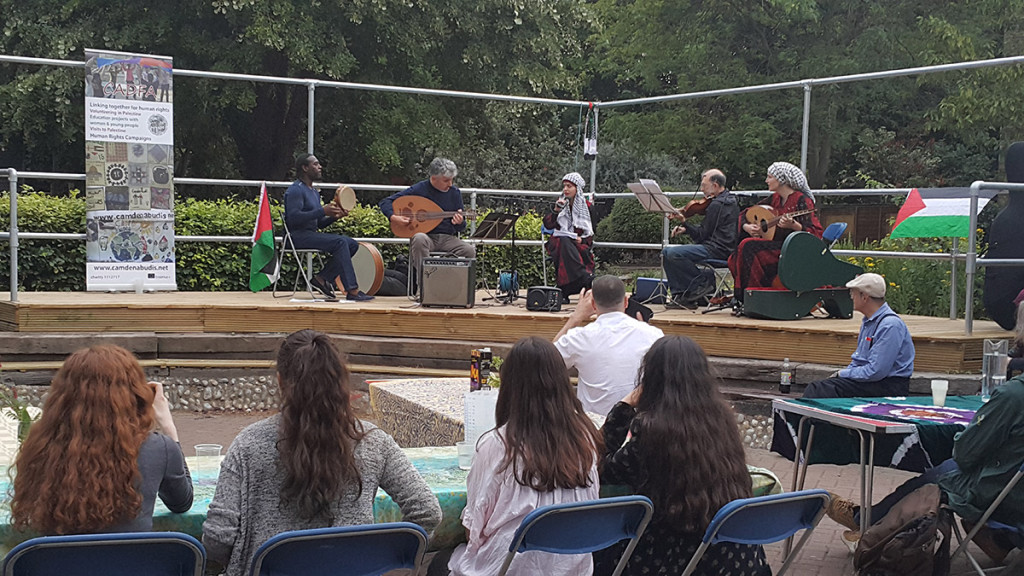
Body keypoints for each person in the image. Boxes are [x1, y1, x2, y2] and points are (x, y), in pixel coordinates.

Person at [203, 330, 441, 576]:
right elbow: (428, 510)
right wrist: (383, 559)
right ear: (341, 382)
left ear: (280, 381)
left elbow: (218, 537)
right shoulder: (374, 443)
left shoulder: (247, 445)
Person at [595, 336, 770, 576]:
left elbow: (608, 470)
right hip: (734, 556)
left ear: (651, 380)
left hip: (676, 558)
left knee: (600, 549)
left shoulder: (652, 429)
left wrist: (624, 406)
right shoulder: (722, 420)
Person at [825, 371, 1024, 563]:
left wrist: (962, 439)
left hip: (1007, 501)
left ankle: (866, 524)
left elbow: (965, 453)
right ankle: (1000, 540)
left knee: (945, 473)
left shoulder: (1014, 396)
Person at [448, 336, 602, 576]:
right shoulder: (586, 438)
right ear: (562, 382)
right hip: (573, 569)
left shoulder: (498, 445)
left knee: (441, 561)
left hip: (509, 569)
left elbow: (473, 531)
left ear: (510, 387)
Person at [10, 345, 192, 534]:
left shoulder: (42, 446)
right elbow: (181, 502)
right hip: (132, 562)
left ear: (62, 396)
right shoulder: (158, 448)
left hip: (62, 563)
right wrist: (169, 428)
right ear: (135, 394)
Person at [553, 275, 664, 416]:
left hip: (593, 429)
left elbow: (546, 361)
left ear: (593, 305)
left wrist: (575, 318)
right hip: (637, 426)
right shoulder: (653, 334)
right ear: (626, 302)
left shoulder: (578, 337)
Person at [802, 273, 915, 398]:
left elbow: (876, 371)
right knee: (821, 387)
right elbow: (859, 361)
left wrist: (842, 374)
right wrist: (843, 375)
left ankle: (797, 417)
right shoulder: (868, 322)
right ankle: (799, 417)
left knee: (821, 389)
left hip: (887, 385)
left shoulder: (890, 325)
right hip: (871, 382)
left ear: (864, 297)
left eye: (853, 293)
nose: (851, 297)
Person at [728, 161, 823, 308]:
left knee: (748, 246)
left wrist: (794, 226)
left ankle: (753, 296)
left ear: (781, 180)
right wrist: (747, 226)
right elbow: (745, 214)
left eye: (769, 177)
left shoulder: (802, 200)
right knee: (740, 250)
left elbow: (816, 235)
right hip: (776, 246)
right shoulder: (774, 199)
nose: (766, 180)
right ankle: (749, 296)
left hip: (793, 250)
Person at [284, 153, 373, 302]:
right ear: (305, 168)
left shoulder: (313, 192)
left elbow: (319, 224)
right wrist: (322, 211)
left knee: (351, 244)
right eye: (315, 164)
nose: (320, 167)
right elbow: (293, 218)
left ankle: (321, 279)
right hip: (296, 236)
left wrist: (334, 216)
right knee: (341, 242)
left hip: (309, 234)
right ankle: (352, 290)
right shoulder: (295, 190)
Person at [378, 157, 476, 289]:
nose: (450, 184)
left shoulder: (454, 193)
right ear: (434, 178)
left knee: (469, 250)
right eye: (446, 180)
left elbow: (461, 227)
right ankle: (424, 287)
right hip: (427, 237)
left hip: (447, 238)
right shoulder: (420, 189)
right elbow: (385, 202)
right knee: (418, 238)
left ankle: (458, 289)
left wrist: (459, 222)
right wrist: (393, 217)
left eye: (452, 180)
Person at [662, 169, 739, 309]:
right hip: (720, 246)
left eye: (704, 185)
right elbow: (711, 228)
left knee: (673, 253)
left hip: (718, 250)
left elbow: (701, 235)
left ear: (715, 186)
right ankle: (682, 296)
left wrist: (684, 221)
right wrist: (686, 229)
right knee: (666, 252)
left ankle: (702, 283)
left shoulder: (717, 205)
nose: (702, 189)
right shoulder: (727, 200)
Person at [543, 172, 595, 303]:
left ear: (577, 188)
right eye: (564, 186)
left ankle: (565, 288)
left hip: (578, 243)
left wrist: (581, 240)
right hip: (559, 241)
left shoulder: (588, 208)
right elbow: (548, 225)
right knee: (564, 242)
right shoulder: (560, 204)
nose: (565, 189)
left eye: (569, 186)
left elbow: (590, 234)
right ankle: (583, 277)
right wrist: (556, 211)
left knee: (569, 245)